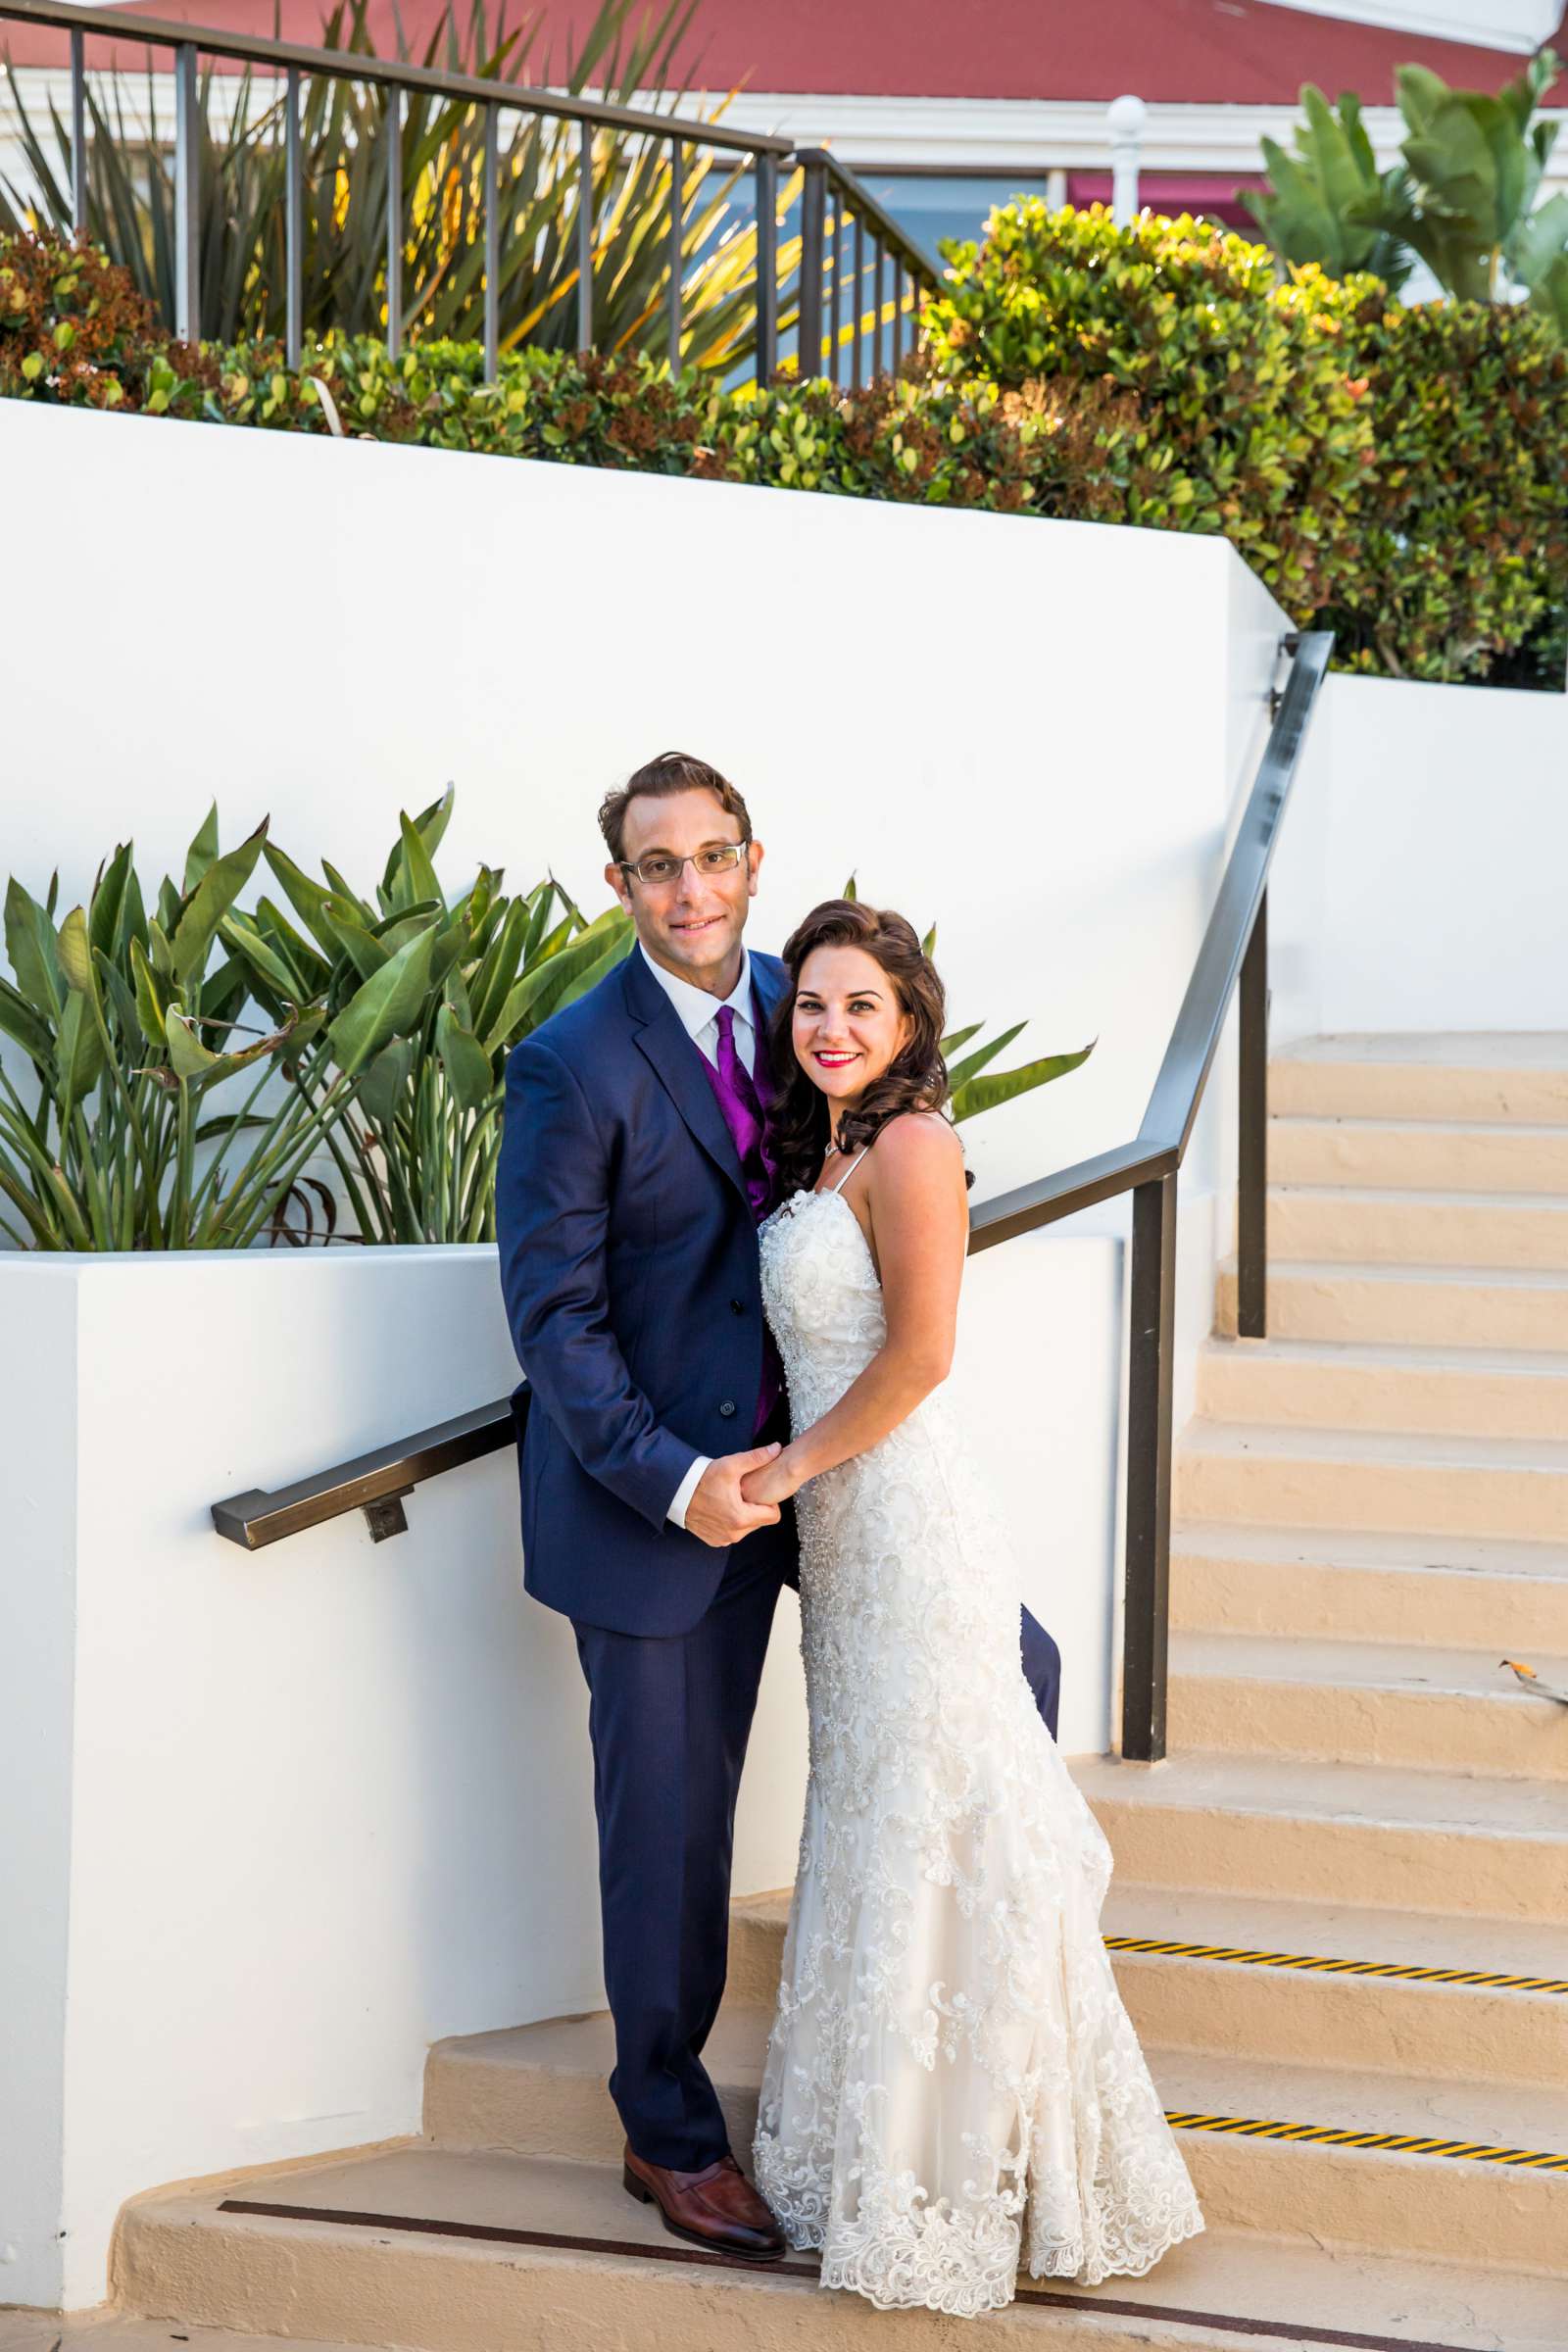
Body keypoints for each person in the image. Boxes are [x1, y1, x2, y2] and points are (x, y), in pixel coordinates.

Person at [494, 753, 1062, 2266]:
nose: (690, 888)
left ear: (752, 861)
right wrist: (681, 1484)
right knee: (672, 1829)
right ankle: (667, 2136)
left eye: (713, 856)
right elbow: (553, 1323)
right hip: (660, 1500)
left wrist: (799, 1469)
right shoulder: (572, 1060)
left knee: (1017, 1673)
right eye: (656, 864)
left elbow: (882, 1214)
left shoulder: (808, 1010)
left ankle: (971, 2043)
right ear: (617, 887)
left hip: (822, 1481)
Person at [744, 899, 1203, 2318]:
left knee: (953, 1813)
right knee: (880, 1811)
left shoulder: (916, 1145)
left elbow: (922, 1356)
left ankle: (979, 2170)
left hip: (902, 1516)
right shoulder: (824, 1149)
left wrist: (783, 1472)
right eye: (811, 1004)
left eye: (859, 1008)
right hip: (845, 1542)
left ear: (909, 1023)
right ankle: (875, 2148)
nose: (829, 1028)